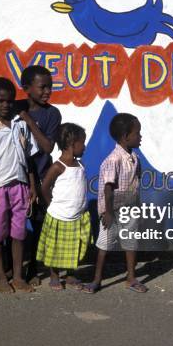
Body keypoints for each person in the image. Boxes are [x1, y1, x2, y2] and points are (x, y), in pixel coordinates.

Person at [0, 78, 38, 293]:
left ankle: (17, 277)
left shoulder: (20, 124)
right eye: (0, 101)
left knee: (19, 233)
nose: (5, 105)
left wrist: (31, 185)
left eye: (9, 101)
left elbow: (28, 157)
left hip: (20, 186)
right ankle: (1, 277)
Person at [83, 113, 148, 294]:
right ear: (126, 137)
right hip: (112, 210)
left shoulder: (134, 158)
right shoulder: (114, 160)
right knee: (104, 245)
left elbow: (136, 184)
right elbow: (108, 189)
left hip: (130, 209)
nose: (140, 136)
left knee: (130, 242)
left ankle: (131, 278)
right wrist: (109, 213)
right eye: (137, 133)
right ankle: (97, 280)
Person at [14, 65, 61, 285]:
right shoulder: (13, 108)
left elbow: (48, 147)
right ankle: (11, 270)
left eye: (50, 87)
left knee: (40, 224)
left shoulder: (51, 114)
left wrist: (29, 121)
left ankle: (34, 267)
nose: (47, 91)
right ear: (26, 88)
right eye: (42, 87)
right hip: (15, 178)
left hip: (41, 178)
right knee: (13, 226)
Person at [36, 123, 91, 291]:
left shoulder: (80, 166)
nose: (85, 146)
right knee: (55, 248)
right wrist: (51, 204)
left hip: (77, 215)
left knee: (74, 247)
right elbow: (44, 187)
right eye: (82, 142)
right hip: (59, 215)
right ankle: (54, 275)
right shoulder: (58, 167)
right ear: (72, 144)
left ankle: (71, 275)